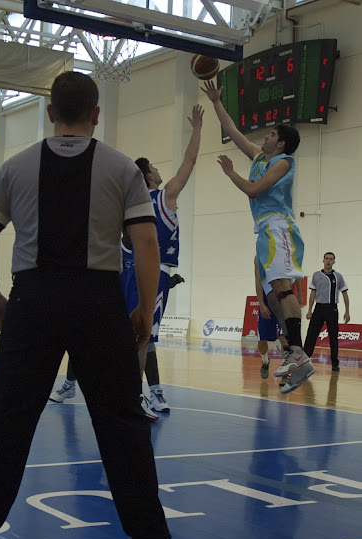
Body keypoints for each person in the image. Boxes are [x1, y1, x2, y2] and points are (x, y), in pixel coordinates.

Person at [0, 71, 173, 539]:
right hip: (99, 304)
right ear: (96, 114)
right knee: (123, 424)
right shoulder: (122, 167)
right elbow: (146, 242)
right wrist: (144, 309)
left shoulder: (16, 166)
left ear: (50, 113)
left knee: (6, 423)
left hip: (33, 302)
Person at [202, 80, 314, 394]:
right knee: (272, 297)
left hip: (279, 227)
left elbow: (254, 190)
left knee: (283, 289)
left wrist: (230, 173)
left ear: (281, 143)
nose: (265, 136)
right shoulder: (259, 158)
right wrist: (216, 102)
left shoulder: (283, 163)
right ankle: (297, 357)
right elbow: (233, 130)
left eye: (272, 134)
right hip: (263, 231)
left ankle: (298, 352)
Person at [129, 105, 203, 410]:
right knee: (143, 336)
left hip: (131, 272)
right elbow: (189, 161)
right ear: (149, 176)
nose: (159, 171)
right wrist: (197, 129)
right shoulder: (165, 196)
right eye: (155, 168)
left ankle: (154, 391)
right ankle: (134, 397)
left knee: (143, 335)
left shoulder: (131, 204)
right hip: (154, 273)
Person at [49, 270, 185, 416]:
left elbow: (146, 277)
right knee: (81, 338)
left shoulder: (133, 261)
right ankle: (69, 386)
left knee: (147, 340)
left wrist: (166, 282)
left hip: (128, 302)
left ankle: (154, 392)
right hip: (104, 300)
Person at [304, 252, 350, 371]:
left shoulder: (338, 276)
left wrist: (347, 311)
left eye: (331, 259)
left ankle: (335, 363)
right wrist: (309, 310)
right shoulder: (316, 275)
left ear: (334, 262)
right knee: (311, 334)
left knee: (333, 336)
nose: (328, 261)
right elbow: (312, 293)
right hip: (318, 308)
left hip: (332, 309)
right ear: (323, 260)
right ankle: (304, 360)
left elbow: (344, 293)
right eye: (327, 258)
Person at [254, 256, 289, 384]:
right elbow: (258, 282)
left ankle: (285, 370)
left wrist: (298, 296)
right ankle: (265, 361)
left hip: (281, 300)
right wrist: (262, 304)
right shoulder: (259, 257)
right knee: (262, 340)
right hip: (266, 300)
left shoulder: (282, 253)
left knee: (283, 336)